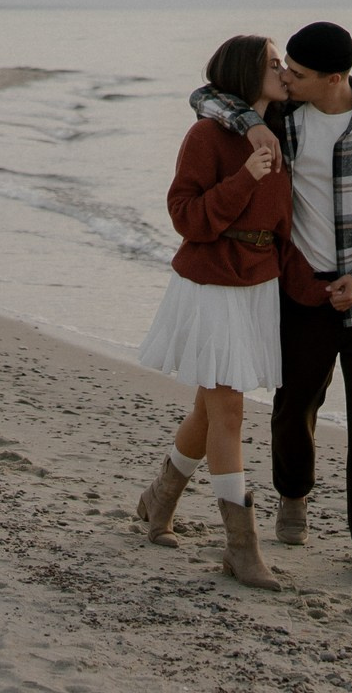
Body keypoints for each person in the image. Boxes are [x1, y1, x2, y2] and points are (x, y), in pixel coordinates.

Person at [190, 21, 352, 585]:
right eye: (284, 69)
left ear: (334, 78)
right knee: (295, 405)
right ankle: (293, 495)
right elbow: (205, 96)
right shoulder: (278, 121)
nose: (286, 79)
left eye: (297, 73)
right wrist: (251, 124)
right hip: (298, 292)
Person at [132, 34, 335, 590]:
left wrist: (315, 289)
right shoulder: (206, 134)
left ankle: (158, 499)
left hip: (258, 287)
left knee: (209, 408)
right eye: (275, 64)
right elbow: (186, 216)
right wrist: (245, 175)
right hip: (210, 285)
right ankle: (241, 548)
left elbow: (281, 232)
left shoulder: (284, 130)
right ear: (248, 74)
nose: (285, 72)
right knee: (229, 413)